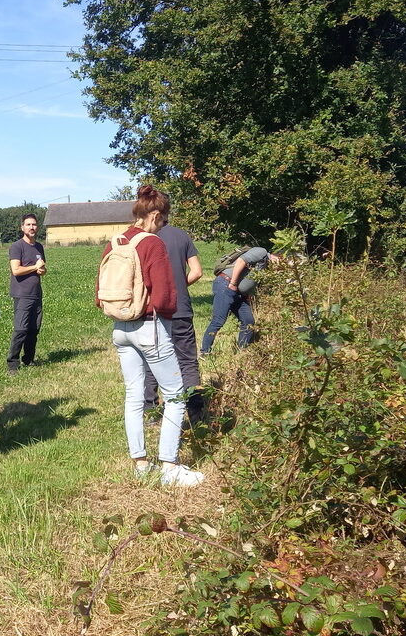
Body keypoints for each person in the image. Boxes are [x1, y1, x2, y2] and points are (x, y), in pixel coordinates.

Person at [97, 186, 204, 488]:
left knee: (133, 395)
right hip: (150, 327)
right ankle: (170, 467)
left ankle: (141, 465)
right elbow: (165, 295)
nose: (162, 226)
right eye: (163, 220)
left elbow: (100, 289)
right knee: (175, 394)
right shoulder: (152, 243)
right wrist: (166, 314)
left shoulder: (115, 242)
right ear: (155, 215)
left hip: (121, 330)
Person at [143, 219, 205, 424]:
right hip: (181, 309)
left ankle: (152, 413)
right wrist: (177, 287)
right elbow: (197, 271)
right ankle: (196, 414)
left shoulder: (145, 237)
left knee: (152, 361)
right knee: (188, 361)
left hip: (155, 310)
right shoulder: (181, 235)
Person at [200, 246, 278, 353]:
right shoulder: (262, 252)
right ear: (279, 256)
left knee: (248, 321)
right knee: (218, 320)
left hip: (238, 292)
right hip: (226, 284)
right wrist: (233, 283)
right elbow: (241, 261)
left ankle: (242, 352)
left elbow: (249, 280)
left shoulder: (265, 266)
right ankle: (205, 352)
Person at [6, 212, 46, 375]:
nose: (32, 227)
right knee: (21, 329)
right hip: (22, 294)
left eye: (34, 224)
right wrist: (35, 267)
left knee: (34, 329)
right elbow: (15, 270)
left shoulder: (39, 247)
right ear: (22, 227)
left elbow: (42, 269)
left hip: (36, 293)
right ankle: (12, 364)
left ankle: (28, 359)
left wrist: (42, 270)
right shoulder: (17, 247)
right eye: (28, 224)